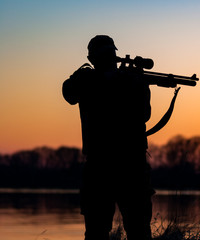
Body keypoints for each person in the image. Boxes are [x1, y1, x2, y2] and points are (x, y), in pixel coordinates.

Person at [62, 35, 154, 240]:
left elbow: (143, 114)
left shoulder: (130, 79)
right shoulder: (88, 79)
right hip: (117, 165)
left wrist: (134, 81)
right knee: (106, 230)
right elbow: (69, 93)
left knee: (129, 229)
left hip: (117, 165)